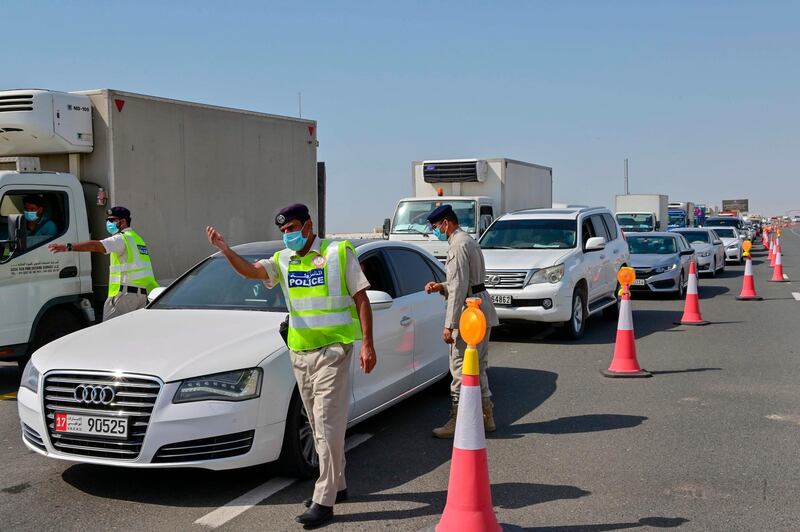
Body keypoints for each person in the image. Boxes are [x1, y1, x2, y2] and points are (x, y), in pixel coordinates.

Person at [206, 203, 377, 529]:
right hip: (300, 353)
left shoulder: (339, 252)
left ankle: (323, 500)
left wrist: (368, 343)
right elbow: (251, 272)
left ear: (309, 225)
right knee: (316, 426)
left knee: (327, 425)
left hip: (334, 350)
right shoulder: (283, 260)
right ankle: (337, 486)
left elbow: (362, 298)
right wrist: (226, 251)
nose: (289, 236)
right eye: (283, 231)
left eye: (293, 228)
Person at [424, 204, 499, 438]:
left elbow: (458, 288)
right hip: (481, 306)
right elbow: (467, 282)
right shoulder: (469, 241)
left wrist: (450, 325)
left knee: (459, 367)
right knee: (479, 366)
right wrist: (441, 287)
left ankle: (458, 420)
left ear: (446, 223)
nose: (436, 231)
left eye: (436, 227)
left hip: (468, 312)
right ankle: (487, 416)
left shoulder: (456, 246)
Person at [49, 206, 159, 320]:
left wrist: (69, 247)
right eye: (107, 220)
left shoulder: (120, 239)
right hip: (141, 296)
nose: (108, 223)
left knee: (110, 333)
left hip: (124, 296)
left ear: (123, 221)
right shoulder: (137, 239)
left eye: (112, 220)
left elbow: (96, 245)